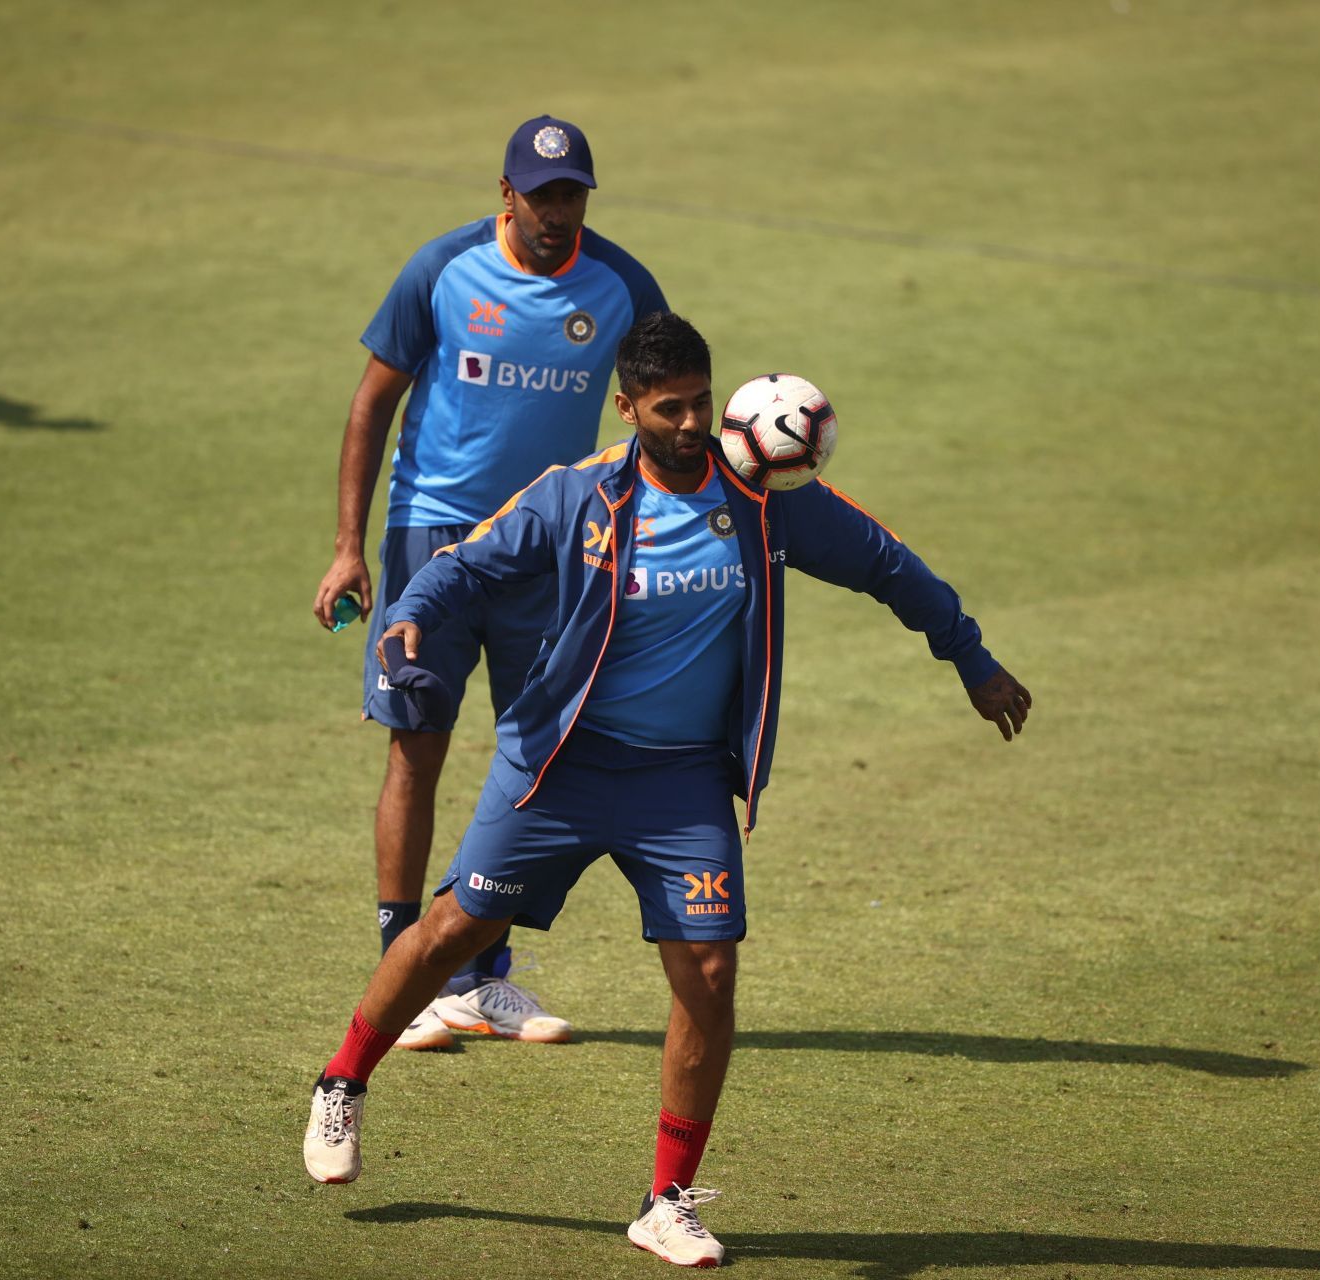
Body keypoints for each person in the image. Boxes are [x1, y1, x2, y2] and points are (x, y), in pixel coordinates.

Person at [302, 313, 1033, 1267]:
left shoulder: (768, 499)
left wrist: (971, 659)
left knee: (712, 974)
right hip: (558, 766)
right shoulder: (579, 496)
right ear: (630, 407)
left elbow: (889, 565)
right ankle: (343, 1080)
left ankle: (668, 1199)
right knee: (454, 931)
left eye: (702, 401)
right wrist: (408, 614)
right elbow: (470, 562)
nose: (692, 424)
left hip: (681, 786)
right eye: (670, 408)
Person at [311, 115, 669, 1050]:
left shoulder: (624, 287)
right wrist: (350, 546)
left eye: (572, 195)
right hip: (429, 539)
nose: (558, 212)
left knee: (534, 757)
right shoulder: (441, 270)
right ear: (505, 194)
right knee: (417, 746)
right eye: (542, 195)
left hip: (550, 551)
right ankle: (408, 969)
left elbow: (661, 416)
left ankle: (481, 977)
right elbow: (370, 405)